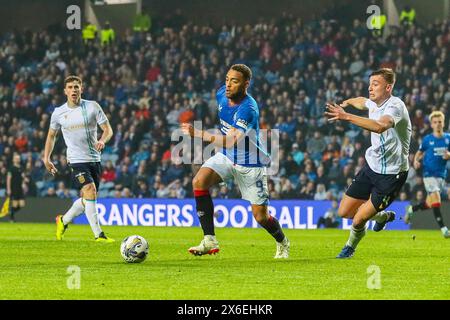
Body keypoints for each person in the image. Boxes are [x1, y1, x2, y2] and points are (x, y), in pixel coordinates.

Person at [181, 64, 290, 258]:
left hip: (251, 164)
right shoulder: (222, 94)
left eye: (235, 81)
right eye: (227, 79)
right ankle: (209, 240)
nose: (229, 85)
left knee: (261, 217)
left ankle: (282, 241)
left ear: (246, 84)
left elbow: (231, 140)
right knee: (199, 181)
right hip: (227, 156)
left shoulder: (248, 109)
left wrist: (198, 133)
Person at [325, 68, 411, 258]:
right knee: (344, 212)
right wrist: (348, 102)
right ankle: (382, 216)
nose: (370, 88)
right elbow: (362, 101)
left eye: (375, 84)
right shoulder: (372, 102)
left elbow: (380, 126)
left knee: (357, 220)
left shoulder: (395, 107)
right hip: (371, 167)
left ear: (388, 87)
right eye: (370, 83)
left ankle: (349, 247)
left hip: (392, 174)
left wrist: (346, 115)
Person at [43, 75, 114, 242]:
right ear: (65, 91)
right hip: (75, 159)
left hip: (94, 159)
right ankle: (99, 235)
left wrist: (102, 141)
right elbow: (51, 135)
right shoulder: (59, 113)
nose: (74, 90)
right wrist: (46, 158)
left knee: (87, 199)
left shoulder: (92, 107)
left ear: (81, 89)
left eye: (76, 87)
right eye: (70, 87)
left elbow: (108, 130)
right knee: (90, 190)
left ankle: (63, 221)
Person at [404, 111, 450, 238]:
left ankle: (411, 209)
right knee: (436, 198)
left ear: (443, 122)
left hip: (441, 175)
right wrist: (415, 161)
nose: (438, 124)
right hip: (428, 174)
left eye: (440, 122)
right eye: (435, 122)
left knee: (430, 203)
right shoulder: (427, 139)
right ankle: (444, 229)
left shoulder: (448, 138)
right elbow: (419, 152)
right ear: (431, 124)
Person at [6, 154, 26, 222]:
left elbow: (23, 177)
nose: (18, 159)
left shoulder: (21, 168)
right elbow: (8, 179)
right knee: (14, 204)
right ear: (13, 160)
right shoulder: (11, 168)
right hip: (14, 188)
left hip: (20, 188)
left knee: (22, 204)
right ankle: (11, 218)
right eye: (16, 158)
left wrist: (24, 182)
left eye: (18, 158)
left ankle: (11, 212)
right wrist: (8, 189)